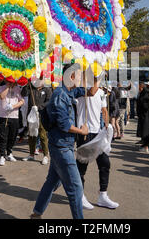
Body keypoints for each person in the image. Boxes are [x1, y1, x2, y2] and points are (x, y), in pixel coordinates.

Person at [31, 63, 99, 219]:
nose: (82, 78)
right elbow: (64, 124)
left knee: (52, 182)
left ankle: (36, 214)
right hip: (61, 147)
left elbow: (91, 92)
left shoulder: (70, 91)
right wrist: (81, 130)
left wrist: (98, 74)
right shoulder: (60, 94)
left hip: (63, 145)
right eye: (80, 75)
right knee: (75, 188)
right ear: (72, 76)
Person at [76, 75, 118, 210]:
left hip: (98, 133)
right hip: (84, 132)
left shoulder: (101, 92)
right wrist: (100, 74)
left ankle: (103, 196)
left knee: (105, 163)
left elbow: (104, 111)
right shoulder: (82, 90)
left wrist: (107, 126)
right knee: (82, 166)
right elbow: (92, 92)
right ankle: (80, 195)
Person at [23, 77, 52, 165]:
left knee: (42, 135)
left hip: (42, 115)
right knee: (31, 134)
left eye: (40, 79)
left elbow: (49, 101)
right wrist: (27, 85)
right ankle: (31, 154)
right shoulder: (31, 88)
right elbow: (23, 93)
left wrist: (39, 107)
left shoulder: (47, 89)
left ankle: (46, 155)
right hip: (31, 115)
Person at [0, 80, 25, 166]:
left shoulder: (17, 89)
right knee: (3, 136)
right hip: (3, 116)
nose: (12, 83)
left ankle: (9, 153)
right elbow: (1, 96)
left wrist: (13, 106)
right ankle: (2, 155)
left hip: (14, 116)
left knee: (12, 136)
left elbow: (22, 101)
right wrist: (8, 87)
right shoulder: (1, 88)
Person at [136, 82, 149, 152]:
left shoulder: (143, 95)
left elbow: (142, 105)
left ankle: (145, 147)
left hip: (144, 116)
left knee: (144, 131)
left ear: (141, 87)